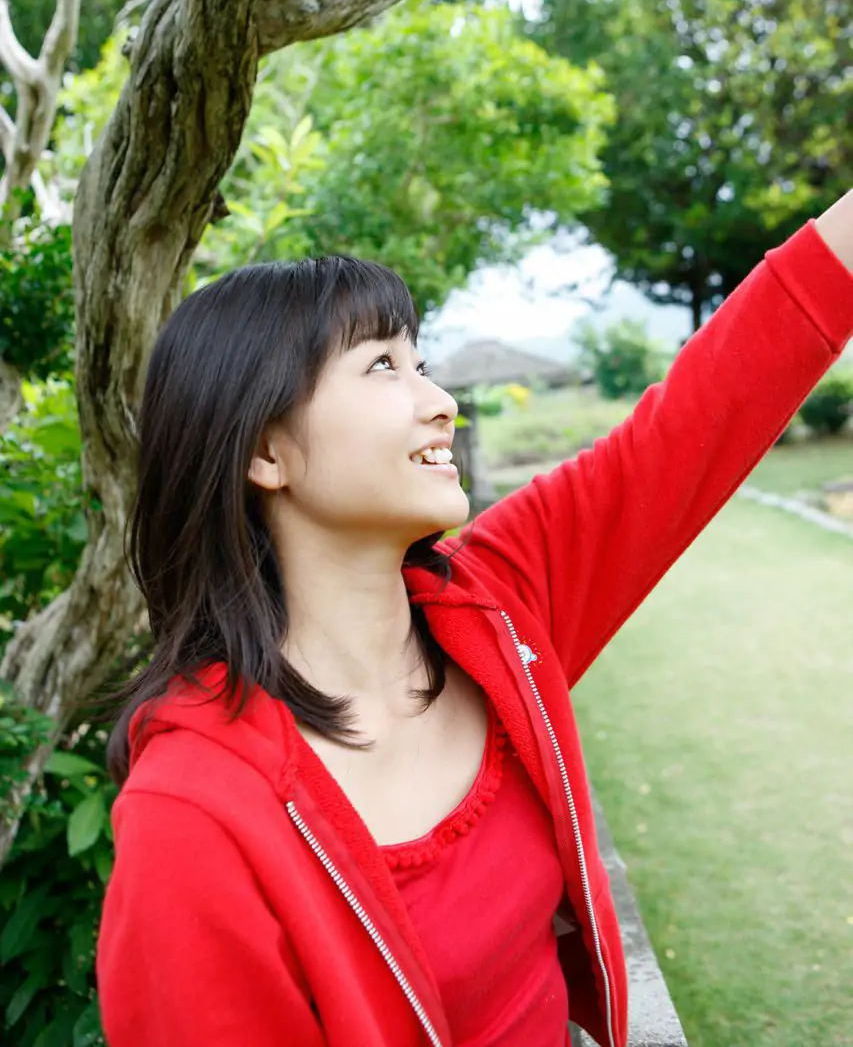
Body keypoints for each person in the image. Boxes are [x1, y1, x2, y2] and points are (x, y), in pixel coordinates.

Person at [97, 193, 853, 1047]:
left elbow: (691, 423)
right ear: (264, 452)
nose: (440, 402)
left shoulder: (500, 601)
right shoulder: (191, 819)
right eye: (383, 366)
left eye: (422, 363)